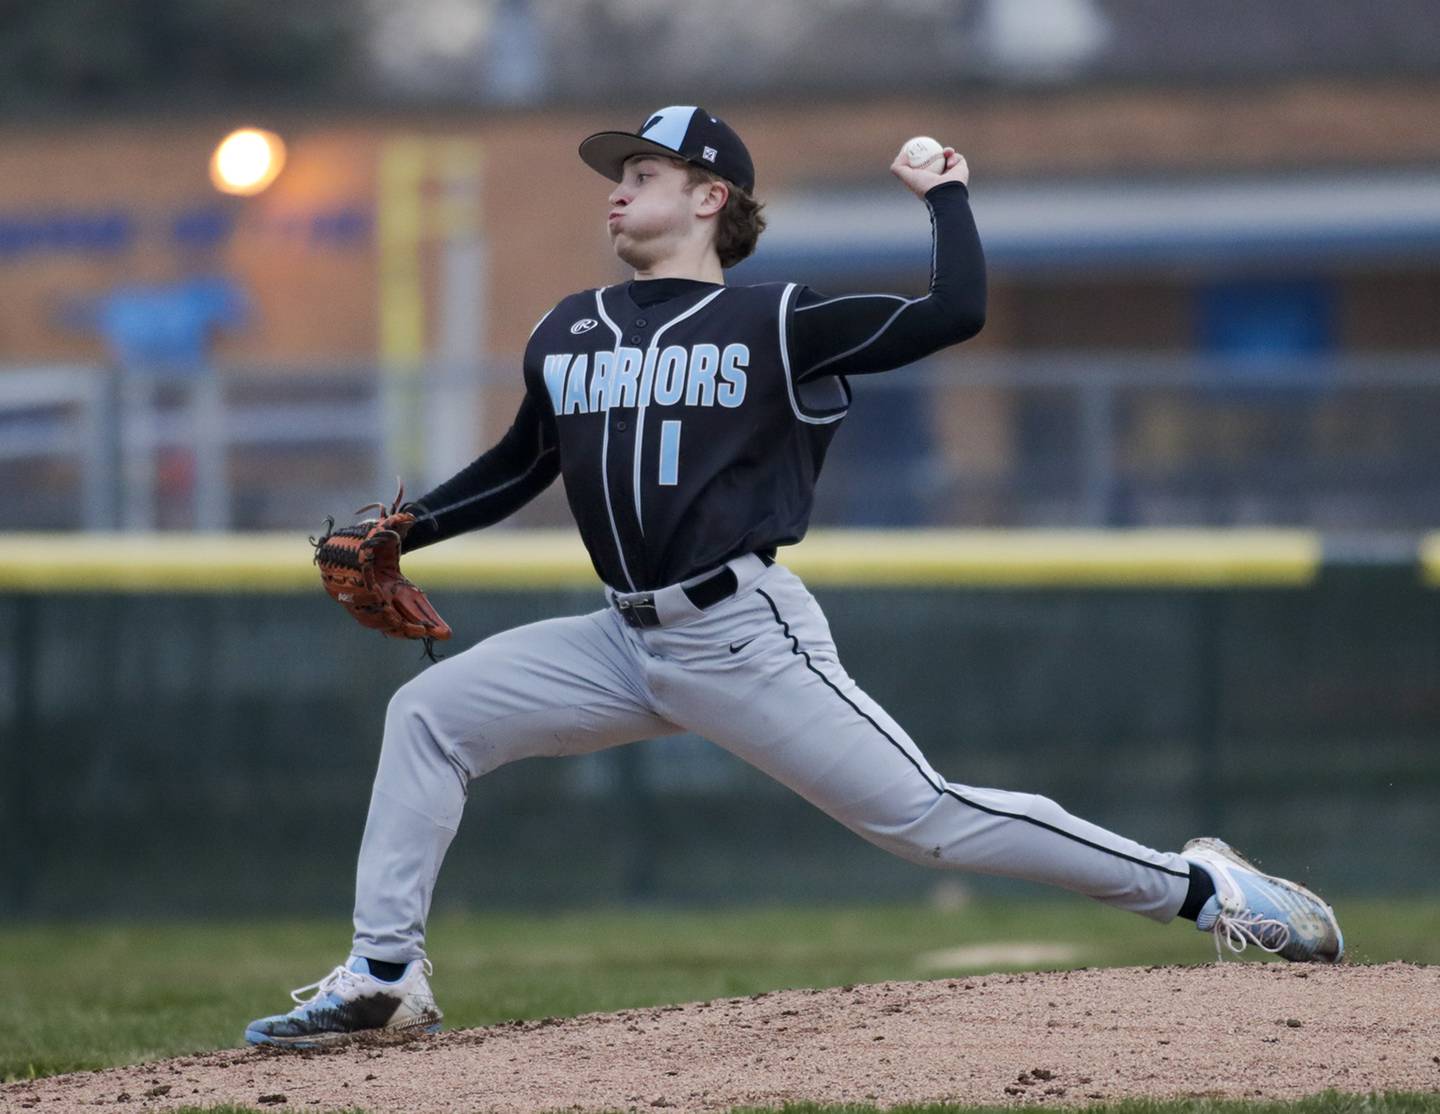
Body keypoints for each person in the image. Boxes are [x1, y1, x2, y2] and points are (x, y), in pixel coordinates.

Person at [244, 106, 1343, 1049]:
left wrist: (946, 195)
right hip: (619, 642)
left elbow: (952, 311)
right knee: (430, 714)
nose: (615, 195)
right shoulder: (566, 327)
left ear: (711, 194)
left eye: (641, 174)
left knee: (927, 819)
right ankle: (385, 978)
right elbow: (521, 464)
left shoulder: (776, 320)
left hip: (742, 634)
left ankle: (1207, 891)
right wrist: (406, 530)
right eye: (616, 179)